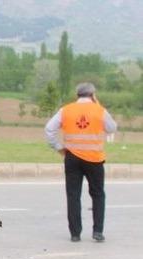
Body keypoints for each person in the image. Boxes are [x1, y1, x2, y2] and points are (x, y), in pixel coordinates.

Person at [45, 82, 118, 242]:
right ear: (93, 95)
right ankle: (97, 231)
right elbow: (112, 128)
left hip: (72, 157)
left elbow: (49, 129)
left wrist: (58, 147)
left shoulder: (66, 110)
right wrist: (97, 104)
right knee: (98, 194)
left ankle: (75, 234)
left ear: (77, 95)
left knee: (73, 195)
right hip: (94, 159)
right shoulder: (99, 110)